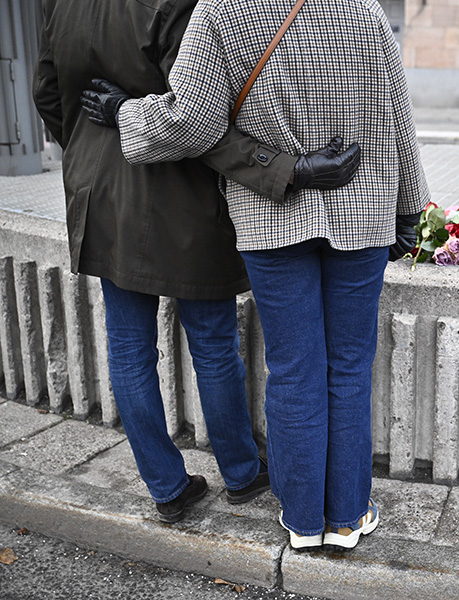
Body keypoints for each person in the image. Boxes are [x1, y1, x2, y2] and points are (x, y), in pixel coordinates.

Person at [83, 0, 430, 549]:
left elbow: (191, 123)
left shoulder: (221, 13)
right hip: (364, 211)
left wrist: (125, 114)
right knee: (349, 369)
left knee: (292, 371)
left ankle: (302, 522)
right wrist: (411, 207)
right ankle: (346, 518)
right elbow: (398, 117)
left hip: (272, 215)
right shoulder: (362, 9)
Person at [33, 0, 361, 523]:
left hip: (99, 195)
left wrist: (92, 154)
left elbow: (48, 93)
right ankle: (240, 473)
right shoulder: (178, 4)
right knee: (211, 343)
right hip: (180, 200)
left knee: (128, 350)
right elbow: (196, 121)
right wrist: (285, 170)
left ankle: (166, 488)